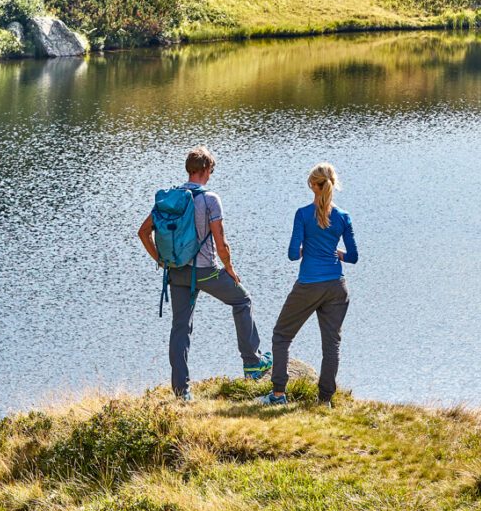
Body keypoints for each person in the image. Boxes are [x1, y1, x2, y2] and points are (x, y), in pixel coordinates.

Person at [138, 146, 271, 401]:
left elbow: (143, 232)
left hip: (176, 272)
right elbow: (221, 243)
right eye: (211, 170)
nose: (211, 174)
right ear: (206, 170)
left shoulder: (169, 199)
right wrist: (230, 268)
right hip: (205, 272)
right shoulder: (210, 199)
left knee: (180, 328)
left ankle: (181, 392)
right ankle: (252, 363)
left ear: (189, 169)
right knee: (242, 300)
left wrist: (162, 260)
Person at [264, 163, 357, 406]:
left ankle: (278, 394)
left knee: (281, 336)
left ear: (312, 186)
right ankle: (324, 400)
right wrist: (338, 254)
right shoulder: (343, 217)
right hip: (337, 286)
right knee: (331, 344)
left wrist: (307, 249)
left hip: (308, 285)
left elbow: (293, 254)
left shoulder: (303, 214)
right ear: (332, 184)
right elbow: (354, 257)